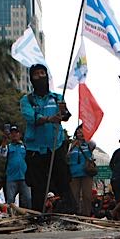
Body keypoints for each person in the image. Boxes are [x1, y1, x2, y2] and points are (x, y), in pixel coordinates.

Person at [21, 64, 76, 213]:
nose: (40, 77)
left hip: (56, 147)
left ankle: (68, 213)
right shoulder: (27, 100)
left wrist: (63, 113)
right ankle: (39, 216)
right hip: (35, 150)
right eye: (36, 75)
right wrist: (49, 118)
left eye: (42, 73)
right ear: (31, 79)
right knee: (38, 186)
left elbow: (66, 115)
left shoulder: (57, 97)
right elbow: (31, 117)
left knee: (63, 182)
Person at [67, 126, 96, 217]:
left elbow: (93, 144)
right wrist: (73, 146)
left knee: (87, 195)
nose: (81, 134)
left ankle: (86, 215)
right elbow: (67, 157)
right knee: (74, 195)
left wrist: (86, 138)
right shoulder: (71, 145)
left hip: (86, 173)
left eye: (82, 132)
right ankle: (75, 213)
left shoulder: (88, 144)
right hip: (74, 173)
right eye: (79, 132)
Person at [0, 125, 31, 209]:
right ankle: (11, 217)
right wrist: (4, 140)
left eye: (16, 133)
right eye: (12, 133)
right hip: (11, 178)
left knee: (28, 198)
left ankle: (28, 216)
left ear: (19, 134)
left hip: (24, 177)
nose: (14, 135)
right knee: (10, 200)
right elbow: (2, 155)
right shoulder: (8, 146)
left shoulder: (25, 146)